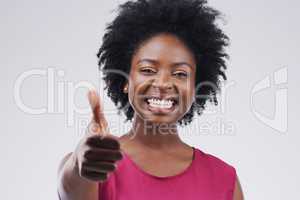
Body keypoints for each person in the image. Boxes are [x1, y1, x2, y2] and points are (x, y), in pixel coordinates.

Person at [57, 0, 244, 199]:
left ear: (195, 87)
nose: (163, 83)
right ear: (126, 80)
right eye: (147, 70)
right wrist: (79, 162)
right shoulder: (97, 165)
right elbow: (71, 186)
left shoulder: (224, 179)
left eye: (180, 74)